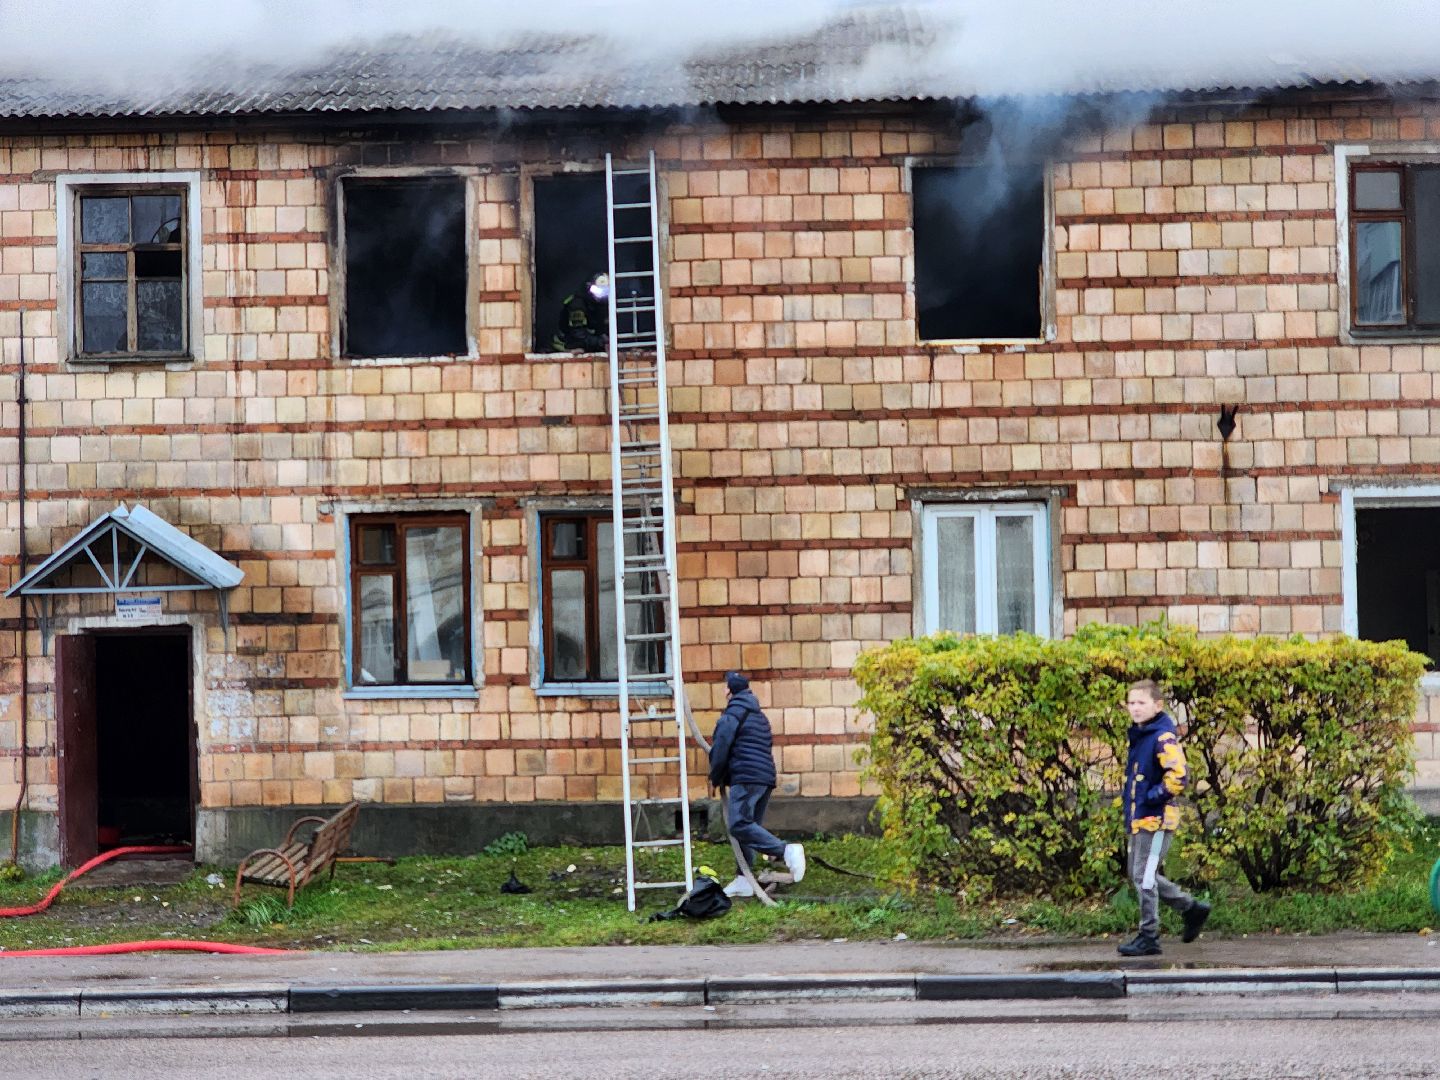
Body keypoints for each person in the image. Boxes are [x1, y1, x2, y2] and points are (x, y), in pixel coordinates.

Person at [1119, 679, 1211, 956]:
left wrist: (1152, 797)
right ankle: (1191, 908)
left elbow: (1178, 776)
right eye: (1131, 703)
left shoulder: (1162, 737)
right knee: (1140, 874)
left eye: (1141, 703)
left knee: (1145, 877)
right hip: (1141, 819)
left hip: (1157, 820)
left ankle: (1149, 935)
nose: (1135, 708)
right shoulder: (1141, 735)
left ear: (1157, 705)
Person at [707, 671, 806, 898]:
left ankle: (786, 850)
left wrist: (715, 777)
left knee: (739, 825)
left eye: (725, 686)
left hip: (747, 778)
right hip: (764, 778)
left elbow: (720, 748)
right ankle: (744, 880)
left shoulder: (732, 714)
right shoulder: (759, 716)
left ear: (729, 691)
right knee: (748, 828)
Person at [552, 271, 610, 352]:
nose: (601, 294)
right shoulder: (577, 305)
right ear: (588, 287)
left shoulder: (601, 305)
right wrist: (601, 343)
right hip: (566, 345)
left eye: (605, 291)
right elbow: (578, 335)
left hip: (587, 342)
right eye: (597, 290)